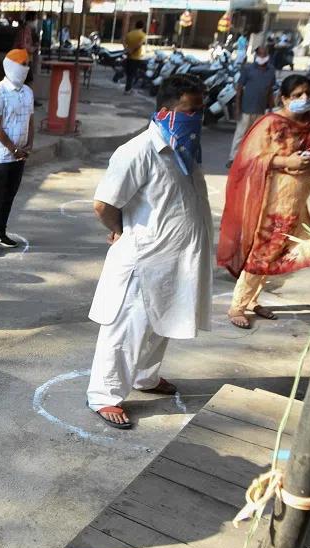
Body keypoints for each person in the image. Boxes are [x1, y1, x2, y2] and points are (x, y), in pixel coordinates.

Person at [86, 75, 213, 428]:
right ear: (165, 111)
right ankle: (104, 395)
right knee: (127, 328)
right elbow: (103, 204)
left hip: (176, 260)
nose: (197, 118)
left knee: (162, 323)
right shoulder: (137, 151)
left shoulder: (186, 148)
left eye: (201, 110)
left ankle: (145, 377)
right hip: (144, 259)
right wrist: (120, 230)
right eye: (191, 110)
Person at [218, 75, 310, 329]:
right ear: (285, 98)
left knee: (276, 251)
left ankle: (253, 299)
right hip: (272, 200)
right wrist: (285, 162)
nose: (305, 99)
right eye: (298, 95)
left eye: (308, 93)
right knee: (263, 250)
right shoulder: (270, 123)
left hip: (297, 200)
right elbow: (248, 158)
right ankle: (237, 305)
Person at [0, 49, 35, 257]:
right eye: (23, 64)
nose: (26, 68)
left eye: (27, 64)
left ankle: (0, 232)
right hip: (1, 156)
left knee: (9, 196)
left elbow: (30, 119)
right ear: (12, 66)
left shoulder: (27, 92)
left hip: (20, 155)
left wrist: (29, 144)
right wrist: (13, 148)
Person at [227, 46, 276, 168]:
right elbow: (239, 89)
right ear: (256, 55)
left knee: (257, 135)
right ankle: (233, 158)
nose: (263, 56)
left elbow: (270, 90)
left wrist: (270, 108)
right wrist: (238, 107)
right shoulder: (248, 69)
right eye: (260, 54)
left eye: (265, 53)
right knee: (240, 134)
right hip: (246, 108)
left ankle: (252, 158)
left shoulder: (271, 71)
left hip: (261, 109)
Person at [124, 20, 147, 95]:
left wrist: (128, 51)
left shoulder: (130, 33)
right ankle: (128, 89)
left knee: (128, 74)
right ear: (142, 27)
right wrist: (133, 51)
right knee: (133, 74)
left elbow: (124, 43)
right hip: (136, 57)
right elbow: (140, 44)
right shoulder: (142, 34)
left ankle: (128, 88)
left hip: (128, 57)